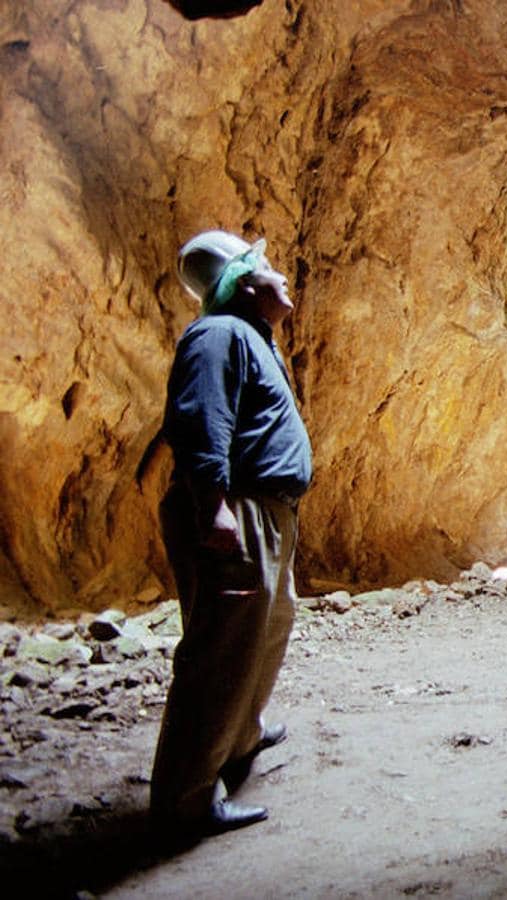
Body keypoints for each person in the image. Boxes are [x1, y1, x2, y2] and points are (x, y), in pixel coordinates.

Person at [150, 229, 312, 837]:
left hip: (265, 509)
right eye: (268, 267)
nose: (281, 276)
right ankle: (184, 802)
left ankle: (241, 732)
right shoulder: (219, 334)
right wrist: (213, 505)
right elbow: (201, 418)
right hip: (237, 508)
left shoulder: (248, 336)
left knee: (266, 627)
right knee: (221, 650)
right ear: (245, 283)